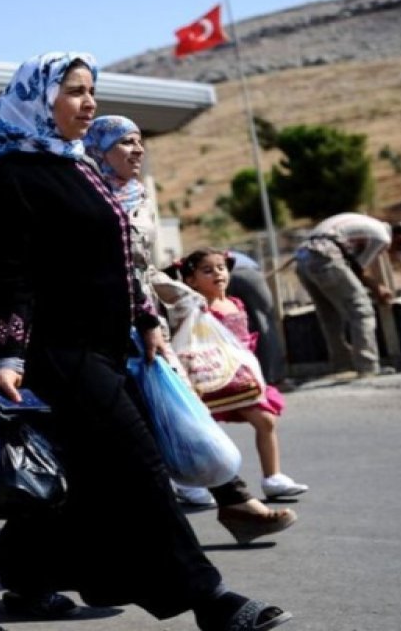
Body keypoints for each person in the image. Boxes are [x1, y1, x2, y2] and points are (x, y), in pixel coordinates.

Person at [0, 51, 292, 630]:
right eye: (74, 92)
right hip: (56, 354)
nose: (89, 103)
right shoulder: (7, 176)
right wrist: (8, 356)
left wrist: (145, 319)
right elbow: (11, 276)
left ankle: (25, 574)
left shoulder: (76, 164)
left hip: (109, 349)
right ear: (38, 99)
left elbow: (116, 259)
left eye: (92, 90)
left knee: (82, 475)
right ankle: (210, 602)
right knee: (135, 467)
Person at [85, 117, 297, 542]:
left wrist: (178, 295)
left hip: (144, 328)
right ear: (99, 149)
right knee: (128, 434)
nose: (138, 150)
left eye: (140, 141)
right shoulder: (85, 198)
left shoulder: (137, 196)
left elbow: (140, 269)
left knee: (183, 412)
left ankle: (235, 504)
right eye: (126, 143)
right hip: (100, 332)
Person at [170, 249, 310, 503]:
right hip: (207, 379)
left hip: (240, 378)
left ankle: (273, 478)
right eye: (207, 270)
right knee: (199, 432)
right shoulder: (193, 307)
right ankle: (189, 483)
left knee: (266, 420)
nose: (218, 274)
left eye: (221, 268)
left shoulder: (235, 303)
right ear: (191, 281)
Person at [294, 213, 401, 377]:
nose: (391, 251)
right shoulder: (382, 237)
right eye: (399, 248)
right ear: (400, 238)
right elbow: (357, 269)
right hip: (325, 256)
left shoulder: (366, 224)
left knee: (329, 315)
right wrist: (377, 288)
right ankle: (368, 367)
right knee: (362, 310)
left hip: (303, 259)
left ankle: (342, 366)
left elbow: (349, 266)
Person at [225, 251, 291, 389]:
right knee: (265, 322)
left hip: (223, 276)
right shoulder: (244, 261)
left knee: (233, 325)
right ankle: (275, 378)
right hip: (247, 275)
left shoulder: (209, 258)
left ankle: (248, 378)